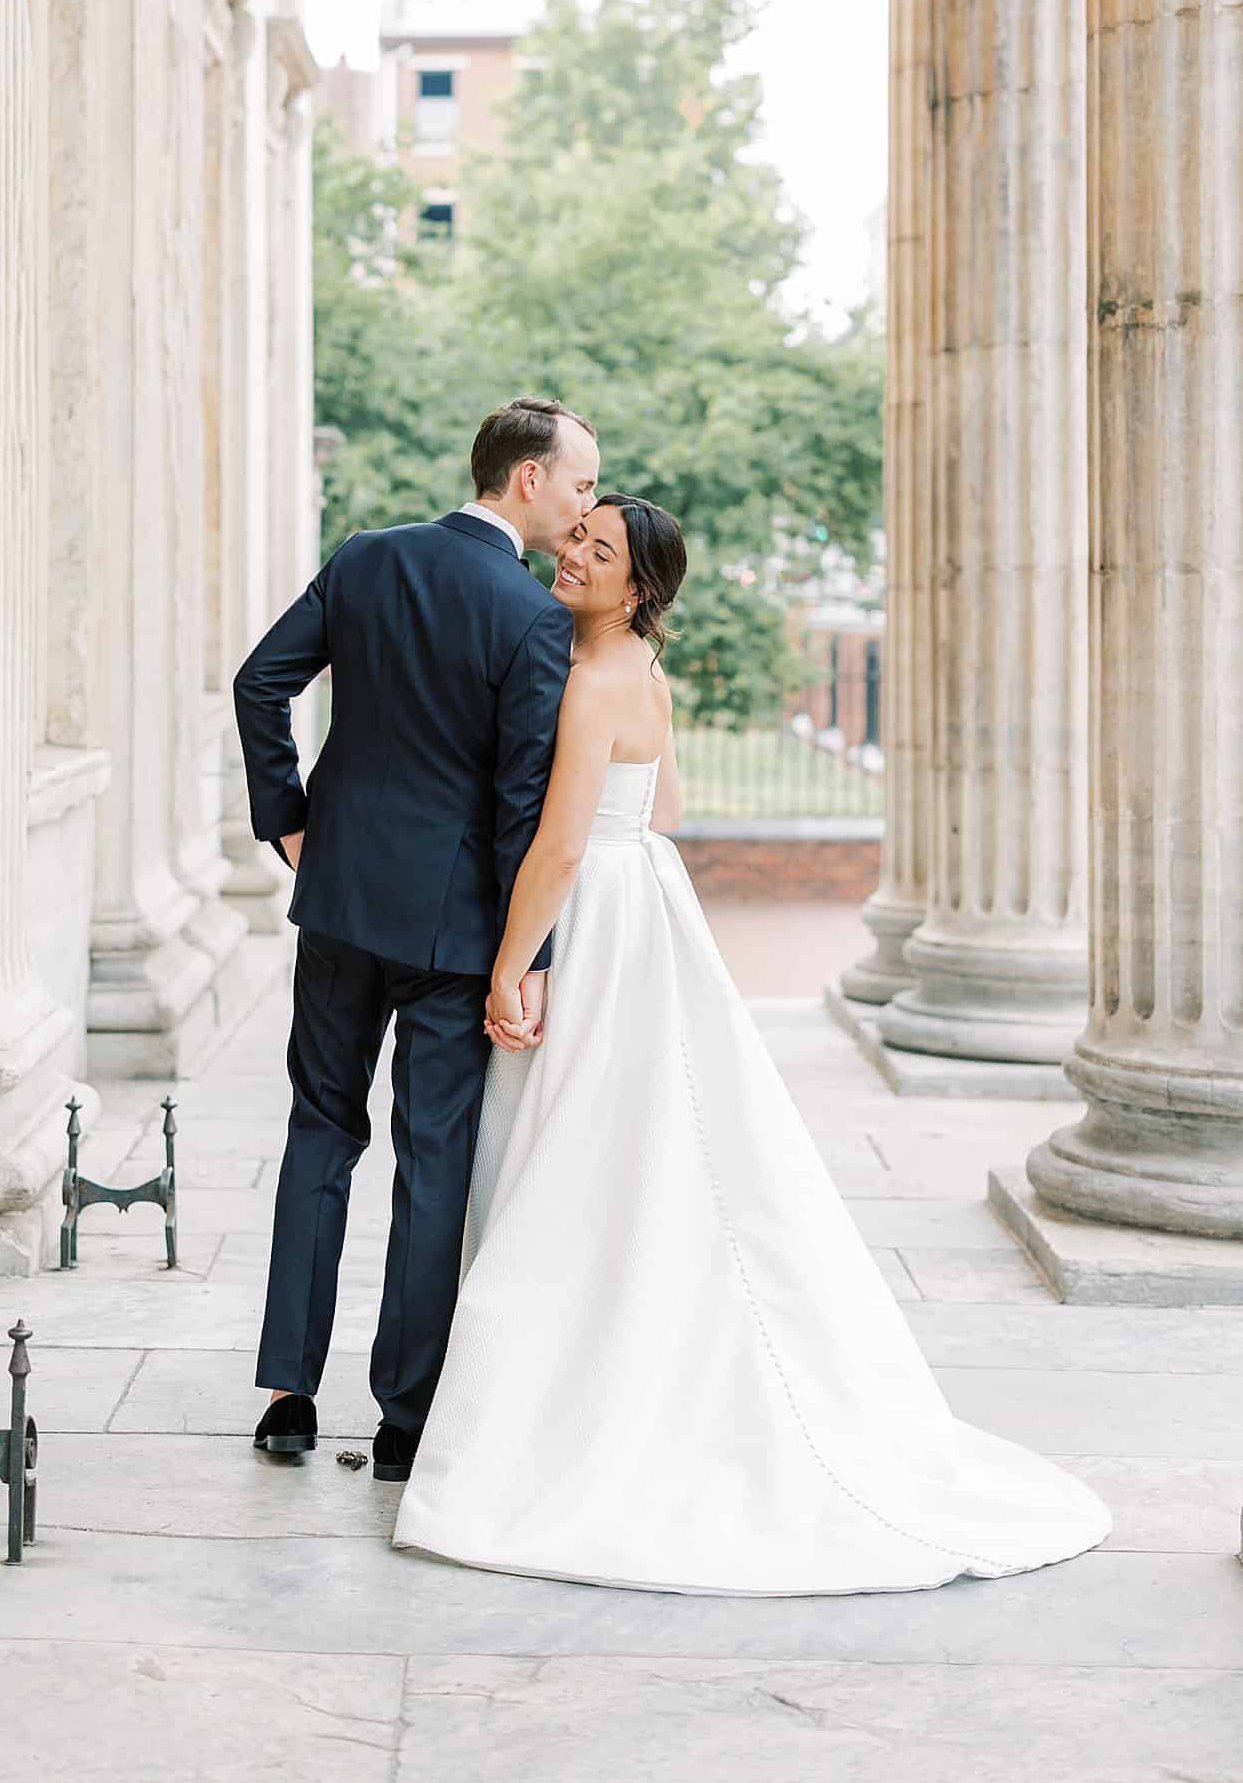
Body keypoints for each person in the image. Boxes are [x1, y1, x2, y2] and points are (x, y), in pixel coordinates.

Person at [393, 494, 1113, 1592]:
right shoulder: (641, 668)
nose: (574, 554)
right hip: (650, 907)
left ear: (637, 587)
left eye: (600, 550)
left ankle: (577, 1408)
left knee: (579, 1150)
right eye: (576, 536)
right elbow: (664, 808)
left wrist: (507, 965)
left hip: (594, 919)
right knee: (647, 1140)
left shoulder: (591, 681)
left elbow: (561, 846)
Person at [231, 396, 600, 1482]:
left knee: (318, 1131)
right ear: (525, 479)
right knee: (430, 1162)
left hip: (339, 901)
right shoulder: (533, 618)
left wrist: (287, 819)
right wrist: (521, 964)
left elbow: (262, 681)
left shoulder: (365, 558)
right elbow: (518, 807)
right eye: (578, 482)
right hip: (451, 933)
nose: (584, 505)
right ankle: (403, 1416)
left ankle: (287, 1396)